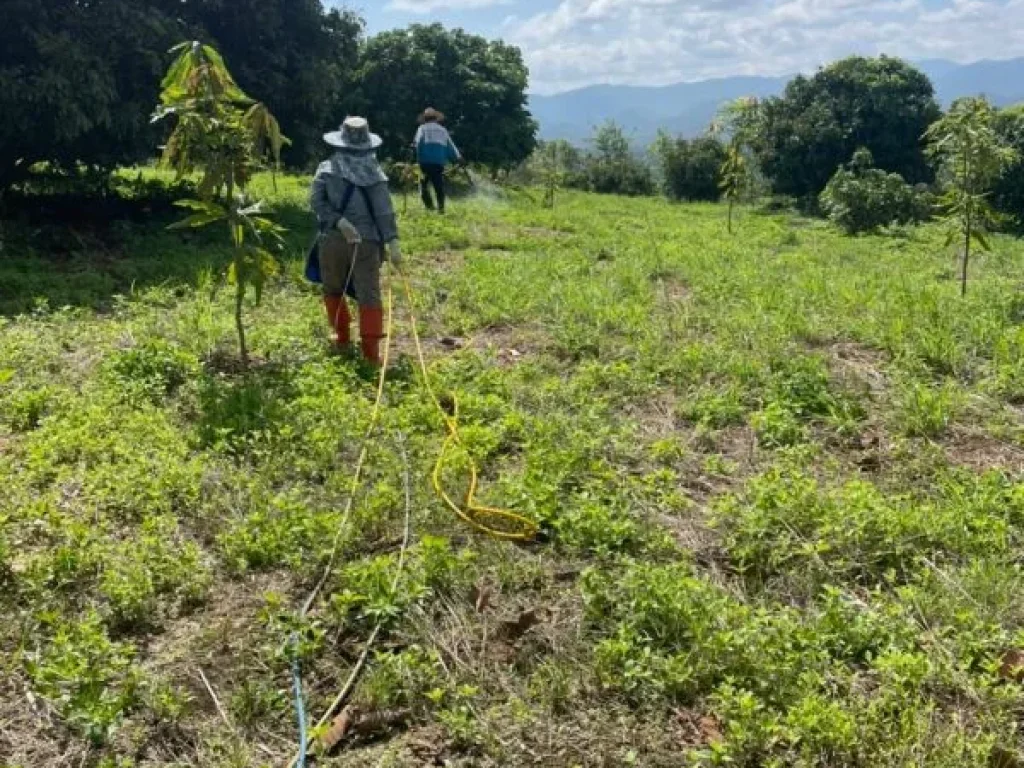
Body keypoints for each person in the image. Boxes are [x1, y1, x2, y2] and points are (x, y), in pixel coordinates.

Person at [310, 116, 402, 364]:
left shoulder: (326, 169)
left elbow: (317, 203)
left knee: (333, 288)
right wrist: (392, 242)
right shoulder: (375, 173)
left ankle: (341, 340)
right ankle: (371, 354)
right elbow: (384, 211)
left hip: (333, 239)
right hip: (368, 242)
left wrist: (338, 221)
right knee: (369, 292)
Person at [412, 107, 461, 213]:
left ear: (425, 118)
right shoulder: (443, 130)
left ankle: (429, 207)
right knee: (438, 186)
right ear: (436, 118)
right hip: (438, 162)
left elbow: (417, 143)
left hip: (424, 162)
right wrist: (458, 158)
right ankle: (441, 209)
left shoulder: (422, 128)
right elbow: (450, 146)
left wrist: (414, 156)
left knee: (423, 186)